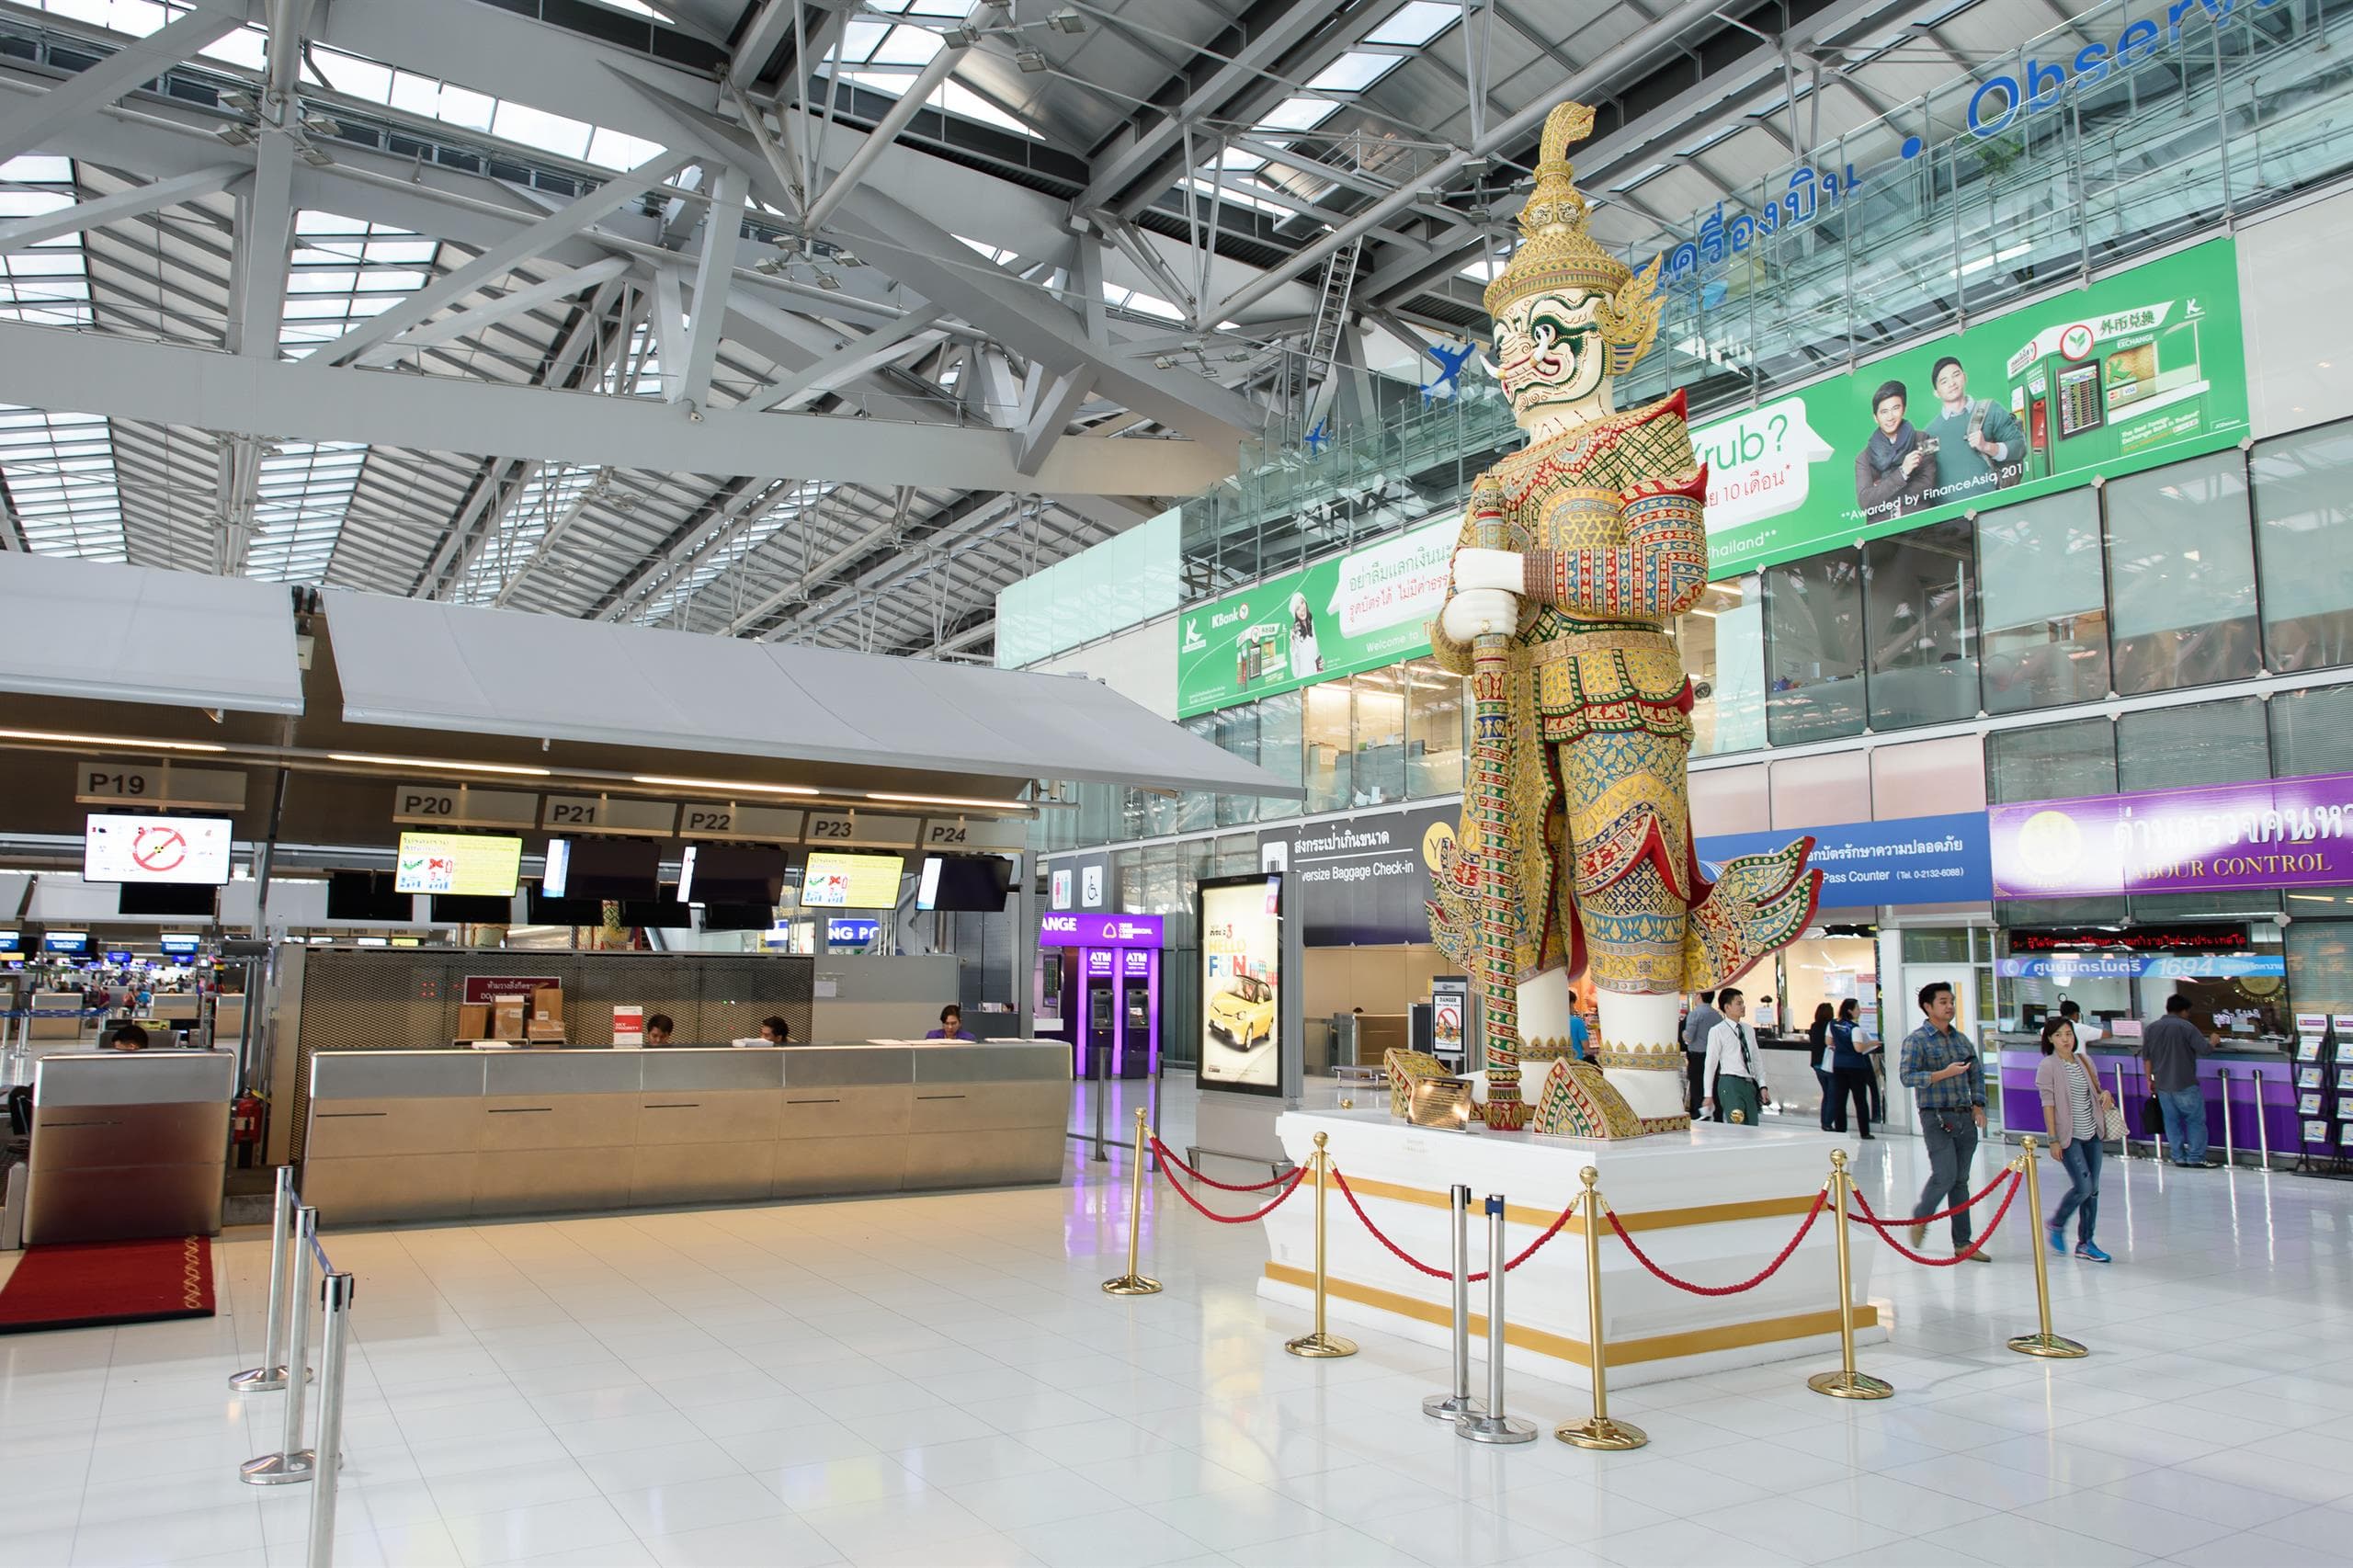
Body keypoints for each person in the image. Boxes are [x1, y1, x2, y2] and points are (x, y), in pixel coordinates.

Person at [1900, 981, 1990, 1261]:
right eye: (1943, 1002)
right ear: (1928, 1007)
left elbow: (1976, 1074)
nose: (1950, 1006)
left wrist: (1978, 1106)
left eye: (1951, 1001)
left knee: (1960, 1181)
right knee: (1945, 1175)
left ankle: (1963, 1243)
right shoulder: (1916, 1040)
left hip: (1965, 1117)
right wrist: (1943, 1074)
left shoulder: (1961, 1040)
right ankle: (1921, 1217)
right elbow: (1907, 1077)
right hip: (1936, 1116)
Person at [2036, 1015, 2114, 1262]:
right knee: (2083, 1186)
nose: (2065, 1039)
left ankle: (2085, 1243)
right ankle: (2057, 1223)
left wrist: (2105, 1094)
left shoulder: (2084, 1060)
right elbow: (2048, 1105)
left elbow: (2097, 1090)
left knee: (2093, 1190)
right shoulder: (2048, 1066)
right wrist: (2053, 1139)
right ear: (2050, 1039)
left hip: (2092, 1132)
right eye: (2058, 1035)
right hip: (2069, 1137)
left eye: (2068, 1034)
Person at [1920, 356, 2026, 503]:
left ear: (1965, 377)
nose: (1952, 383)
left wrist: (1987, 447)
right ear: (1936, 393)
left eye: (1956, 375)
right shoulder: (1930, 433)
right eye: (1944, 381)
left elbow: (2020, 446)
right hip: (1952, 514)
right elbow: (1925, 476)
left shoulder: (1990, 410)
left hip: (1995, 505)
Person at [2142, 994, 2213, 1167]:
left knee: (2171, 1122)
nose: (2188, 1015)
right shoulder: (2187, 1027)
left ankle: (2178, 1157)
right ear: (2183, 1011)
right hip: (2185, 1083)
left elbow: (2147, 1058)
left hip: (2162, 1085)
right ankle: (2195, 1157)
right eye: (2188, 1012)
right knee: (2194, 1121)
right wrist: (2213, 1041)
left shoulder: (2151, 1028)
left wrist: (2149, 1080)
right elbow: (2205, 1050)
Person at [1854, 380, 1937, 524]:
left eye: (1895, 408)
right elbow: (1865, 502)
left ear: (1904, 409)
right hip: (1882, 533)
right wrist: (1903, 472)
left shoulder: (1924, 438)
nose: (1890, 417)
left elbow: (1929, 484)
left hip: (1920, 526)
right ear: (1875, 417)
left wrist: (1882, 490)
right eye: (1884, 412)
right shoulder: (1863, 458)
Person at [1702, 987, 1770, 1126]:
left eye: (1743, 1003)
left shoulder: (1748, 1030)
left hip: (1749, 1083)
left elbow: (1756, 1059)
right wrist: (1708, 1094)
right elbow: (1710, 1064)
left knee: (1752, 1125)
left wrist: (1762, 1085)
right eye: (1739, 1003)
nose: (1743, 1006)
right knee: (1737, 1125)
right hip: (1730, 1083)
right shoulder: (1717, 1031)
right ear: (1727, 1007)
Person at [1828, 1002, 1879, 1140]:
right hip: (1856, 1067)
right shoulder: (1854, 1028)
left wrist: (1841, 1046)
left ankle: (1840, 1130)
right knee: (1860, 1100)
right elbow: (1858, 1048)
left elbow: (1828, 1042)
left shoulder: (1832, 1024)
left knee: (1840, 1099)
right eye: (1857, 1008)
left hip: (1838, 1065)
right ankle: (1864, 1132)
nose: (1860, 1011)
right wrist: (1871, 1043)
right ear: (1850, 1011)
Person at [1683, 991, 1722, 1117]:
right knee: (1714, 1086)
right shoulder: (1717, 1015)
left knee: (1698, 1088)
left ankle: (1700, 1115)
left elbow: (1689, 1037)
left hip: (1698, 1057)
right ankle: (1717, 1116)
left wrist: (1683, 1034)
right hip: (1715, 1056)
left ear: (1699, 996)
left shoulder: (1695, 1014)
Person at [1808, 1003, 1838, 1130]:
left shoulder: (1814, 1026)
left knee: (1827, 1093)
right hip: (1829, 1064)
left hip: (1817, 1064)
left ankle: (1825, 1122)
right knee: (1832, 1095)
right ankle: (1827, 1122)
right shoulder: (1831, 1026)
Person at [1287, 591, 1324, 680]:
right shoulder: (1296, 634)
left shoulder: (1312, 625)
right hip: (1304, 683)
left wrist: (1321, 662)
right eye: (1297, 608)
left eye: (1302, 603)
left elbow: (1316, 655)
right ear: (1295, 614)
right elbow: (1295, 673)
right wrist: (1292, 644)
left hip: (1316, 679)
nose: (1302, 609)